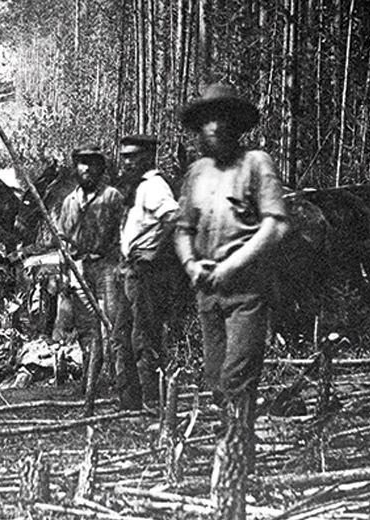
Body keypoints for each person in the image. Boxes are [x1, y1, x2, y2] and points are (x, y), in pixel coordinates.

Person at [174, 84, 288, 520]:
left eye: (224, 117)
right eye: (207, 118)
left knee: (239, 377)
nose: (215, 125)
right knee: (216, 380)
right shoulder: (197, 172)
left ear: (238, 125)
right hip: (208, 290)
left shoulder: (256, 163)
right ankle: (230, 455)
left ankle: (239, 465)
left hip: (246, 289)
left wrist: (231, 266)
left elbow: (275, 226)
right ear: (199, 129)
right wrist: (190, 264)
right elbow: (183, 228)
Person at [115, 134, 183, 410]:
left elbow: (174, 218)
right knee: (121, 336)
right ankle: (130, 401)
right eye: (125, 157)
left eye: (133, 156)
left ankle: (152, 402)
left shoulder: (155, 186)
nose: (128, 162)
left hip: (147, 273)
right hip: (130, 270)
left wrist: (156, 251)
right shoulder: (137, 187)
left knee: (144, 337)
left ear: (148, 158)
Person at [52, 145, 125, 393]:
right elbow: (62, 241)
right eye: (81, 163)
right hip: (79, 268)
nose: (86, 168)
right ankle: (90, 382)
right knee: (87, 328)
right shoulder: (69, 202)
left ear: (101, 168)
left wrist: (120, 265)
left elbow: (123, 234)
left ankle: (121, 383)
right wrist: (64, 275)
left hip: (107, 267)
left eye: (92, 163)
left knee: (113, 324)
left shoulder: (112, 197)